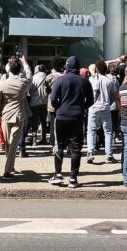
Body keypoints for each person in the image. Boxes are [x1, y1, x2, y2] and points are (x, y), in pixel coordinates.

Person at [47, 56, 94, 189]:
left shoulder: (60, 80)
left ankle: (58, 174)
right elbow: (90, 100)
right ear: (78, 68)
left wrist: (59, 108)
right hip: (77, 117)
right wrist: (81, 107)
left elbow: (53, 98)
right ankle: (73, 178)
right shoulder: (84, 82)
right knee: (76, 148)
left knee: (60, 145)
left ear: (66, 67)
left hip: (62, 117)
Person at [0, 59, 31, 180]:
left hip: (5, 115)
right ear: (20, 70)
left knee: (8, 143)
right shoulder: (24, 82)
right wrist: (25, 64)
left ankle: (9, 167)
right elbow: (30, 76)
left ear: (9, 70)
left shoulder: (2, 83)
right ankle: (8, 168)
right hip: (18, 115)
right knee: (13, 144)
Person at [86, 60, 118, 164]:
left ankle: (90, 152)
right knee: (108, 132)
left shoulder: (90, 80)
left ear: (96, 69)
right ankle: (109, 155)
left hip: (93, 108)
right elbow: (115, 95)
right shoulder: (109, 81)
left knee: (91, 131)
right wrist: (119, 108)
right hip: (105, 107)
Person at [19, 64, 49, 156]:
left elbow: (29, 90)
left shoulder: (33, 78)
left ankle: (34, 140)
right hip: (45, 102)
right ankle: (44, 138)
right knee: (43, 121)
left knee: (34, 121)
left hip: (34, 103)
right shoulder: (47, 77)